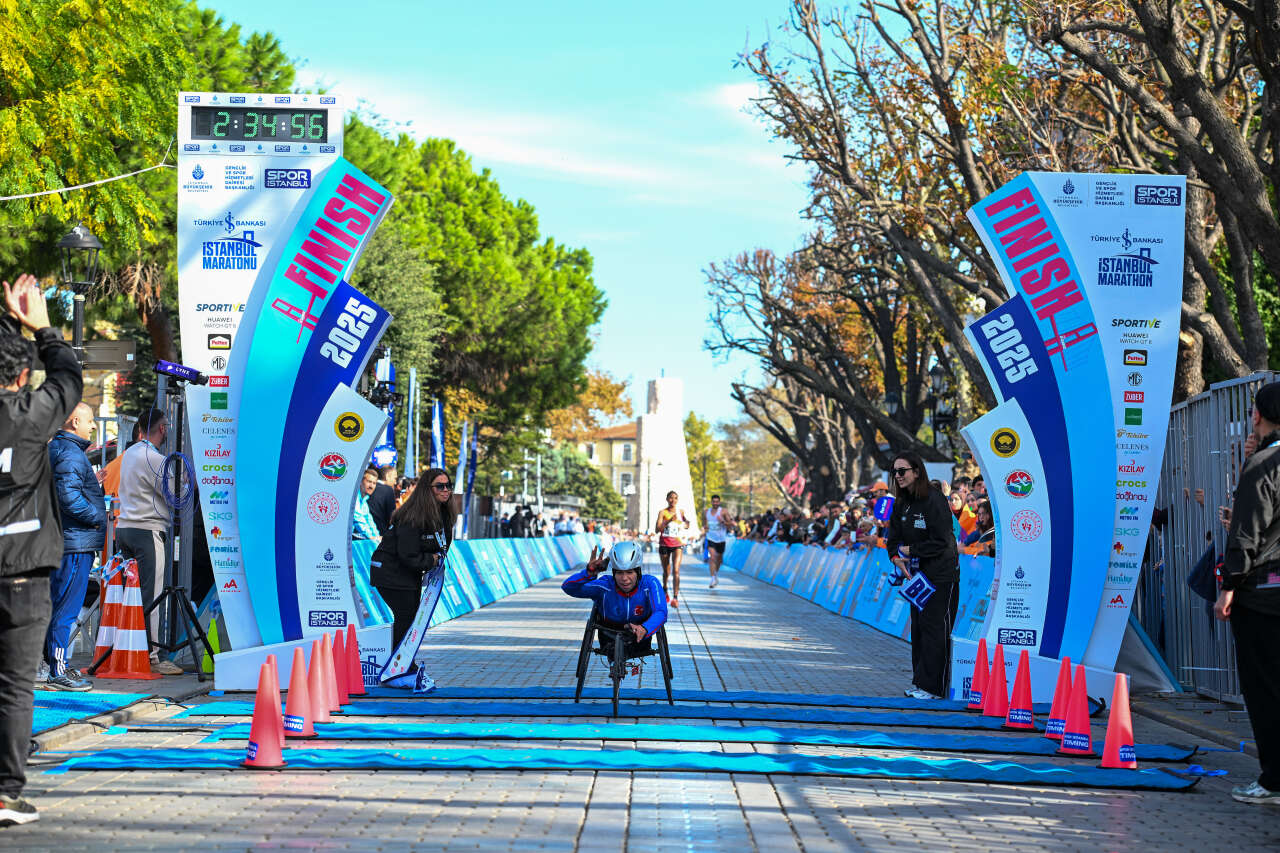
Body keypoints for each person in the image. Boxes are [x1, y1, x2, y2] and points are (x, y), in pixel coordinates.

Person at [0, 274, 82, 825]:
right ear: (22, 376)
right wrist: (42, 326)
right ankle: (6, 793)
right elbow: (69, 377)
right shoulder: (30, 417)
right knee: (14, 687)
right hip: (24, 571)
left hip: (24, 568)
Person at [1215, 382, 1280, 805]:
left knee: (1265, 688)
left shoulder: (1262, 465)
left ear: (1256, 415)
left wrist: (1228, 588)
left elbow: (1246, 535)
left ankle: (1274, 779)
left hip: (1263, 595)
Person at [885, 450, 959, 700]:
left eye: (902, 471)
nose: (898, 476)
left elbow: (943, 541)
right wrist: (895, 557)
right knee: (918, 629)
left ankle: (934, 688)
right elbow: (893, 539)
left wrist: (911, 550)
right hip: (916, 578)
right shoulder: (901, 502)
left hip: (941, 575)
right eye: (894, 471)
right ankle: (921, 682)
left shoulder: (934, 499)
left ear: (916, 472)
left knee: (935, 628)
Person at [115, 406, 183, 675]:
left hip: (125, 528)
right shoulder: (155, 459)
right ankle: (153, 656)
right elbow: (176, 495)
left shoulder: (129, 453)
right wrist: (189, 482)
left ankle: (130, 649)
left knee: (129, 595)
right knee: (151, 596)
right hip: (147, 530)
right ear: (163, 429)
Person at [44, 402, 106, 690]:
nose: (93, 425)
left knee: (59, 605)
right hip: (74, 543)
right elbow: (67, 497)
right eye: (89, 420)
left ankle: (55, 665)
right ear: (74, 421)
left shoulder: (61, 449)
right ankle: (57, 670)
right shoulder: (69, 452)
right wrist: (97, 516)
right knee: (66, 609)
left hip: (66, 540)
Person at [370, 468, 457, 652]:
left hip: (409, 573)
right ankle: (398, 663)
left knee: (411, 618)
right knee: (406, 617)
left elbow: (441, 545)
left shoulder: (443, 513)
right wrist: (431, 560)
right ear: (427, 488)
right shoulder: (413, 515)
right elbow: (408, 554)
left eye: (448, 485)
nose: (445, 490)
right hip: (391, 571)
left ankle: (404, 661)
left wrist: (435, 558)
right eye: (439, 486)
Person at [562, 541, 667, 647]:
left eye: (629, 572)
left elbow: (661, 611)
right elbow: (568, 587)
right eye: (619, 572)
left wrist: (645, 628)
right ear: (613, 573)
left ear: (638, 572)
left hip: (640, 635)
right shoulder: (604, 585)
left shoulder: (650, 583)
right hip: (608, 636)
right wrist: (588, 573)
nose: (624, 578)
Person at [655, 490, 690, 607]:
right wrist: (669, 520)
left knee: (676, 570)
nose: (673, 500)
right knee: (666, 571)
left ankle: (675, 597)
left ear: (677, 500)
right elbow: (657, 529)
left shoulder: (681, 512)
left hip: (677, 544)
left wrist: (687, 523)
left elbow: (686, 524)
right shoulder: (662, 512)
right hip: (664, 544)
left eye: (675, 498)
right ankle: (665, 589)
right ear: (667, 499)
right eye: (671, 498)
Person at [704, 494, 731, 588]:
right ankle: (712, 578)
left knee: (719, 559)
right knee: (712, 557)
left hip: (721, 539)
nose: (715, 503)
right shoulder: (706, 512)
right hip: (710, 538)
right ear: (711, 502)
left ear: (719, 502)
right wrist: (705, 527)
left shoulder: (723, 511)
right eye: (713, 501)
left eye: (717, 502)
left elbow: (730, 525)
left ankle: (715, 574)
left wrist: (722, 521)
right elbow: (705, 524)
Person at [364, 466, 395, 536]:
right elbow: (391, 518)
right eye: (369, 482)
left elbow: (369, 520)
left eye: (374, 483)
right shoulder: (388, 490)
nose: (371, 486)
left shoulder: (364, 500)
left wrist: (375, 536)